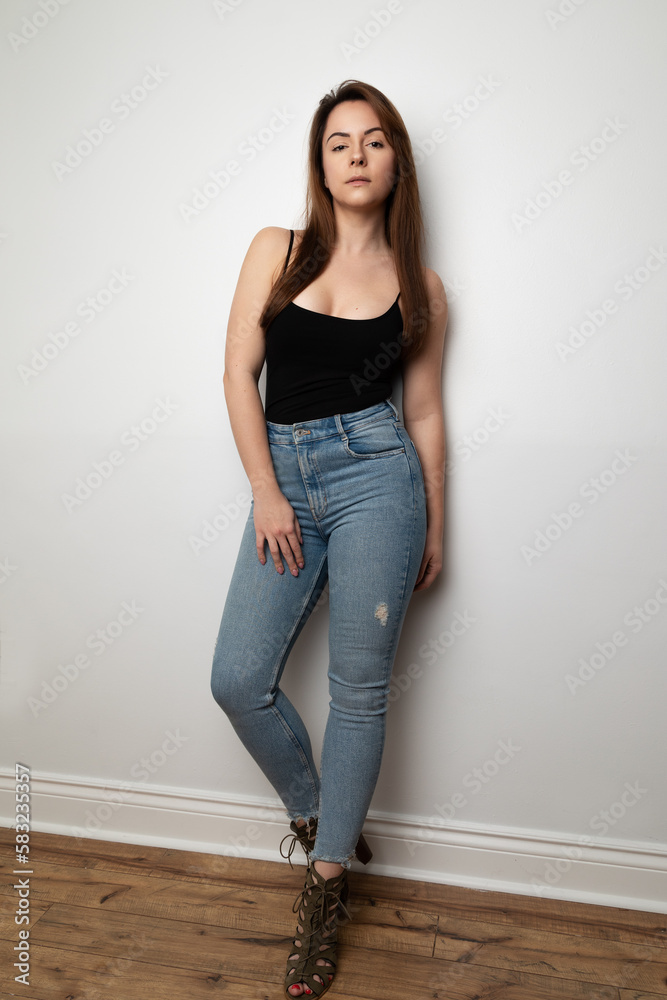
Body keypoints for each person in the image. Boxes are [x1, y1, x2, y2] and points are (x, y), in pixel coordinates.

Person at [210, 78, 448, 998]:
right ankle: (323, 820)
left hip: (378, 476)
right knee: (237, 678)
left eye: (374, 140)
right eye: (338, 141)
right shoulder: (277, 250)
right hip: (287, 477)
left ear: (396, 163)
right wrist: (266, 491)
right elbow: (237, 373)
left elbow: (422, 412)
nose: (356, 154)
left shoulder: (419, 286)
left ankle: (325, 886)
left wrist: (436, 520)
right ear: (319, 161)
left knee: (358, 690)